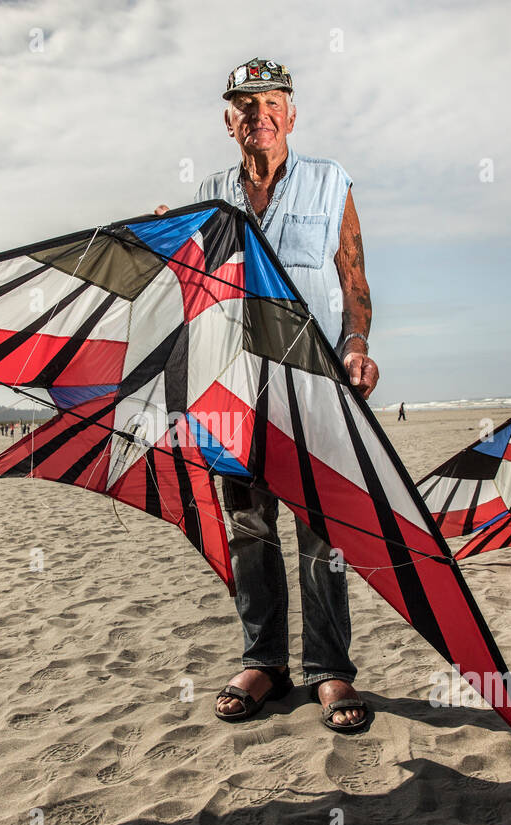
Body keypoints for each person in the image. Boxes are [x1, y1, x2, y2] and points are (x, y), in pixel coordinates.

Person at [156, 58, 378, 731]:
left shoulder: (330, 182)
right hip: (235, 386)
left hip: (313, 388)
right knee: (250, 529)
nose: (259, 117)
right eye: (244, 107)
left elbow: (354, 281)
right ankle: (265, 663)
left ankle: (330, 672)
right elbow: (193, 290)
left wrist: (358, 347)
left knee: (319, 532)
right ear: (229, 124)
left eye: (270, 103)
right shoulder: (212, 193)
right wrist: (168, 243)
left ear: (292, 113)